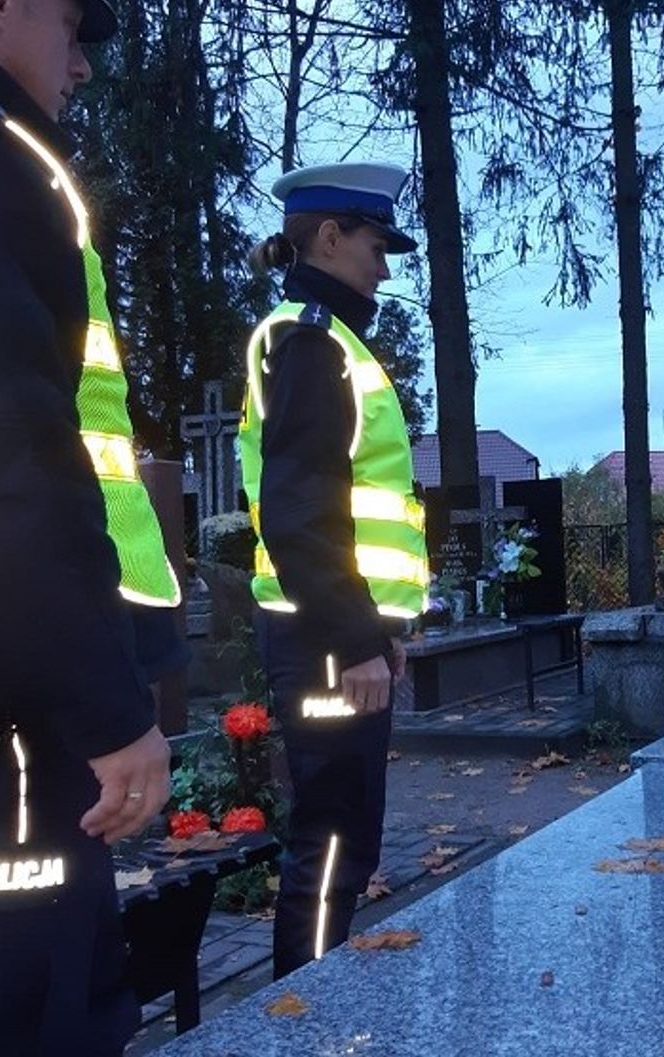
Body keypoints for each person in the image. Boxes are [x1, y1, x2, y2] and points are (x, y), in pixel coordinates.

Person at [0, 0, 174, 1054]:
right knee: (39, 1005)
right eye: (70, 18)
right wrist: (105, 705)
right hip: (5, 735)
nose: (83, 61)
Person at [240, 163, 428, 977]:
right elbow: (300, 513)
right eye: (375, 244)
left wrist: (380, 633)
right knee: (331, 839)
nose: (384, 265)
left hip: (336, 631)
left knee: (346, 834)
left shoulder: (326, 339)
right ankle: (308, 1019)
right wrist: (355, 638)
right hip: (322, 635)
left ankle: (322, 1003)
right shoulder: (311, 341)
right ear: (328, 237)